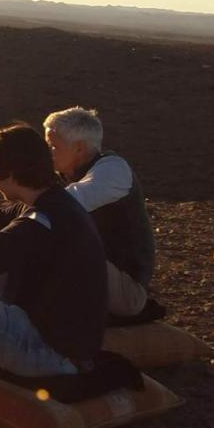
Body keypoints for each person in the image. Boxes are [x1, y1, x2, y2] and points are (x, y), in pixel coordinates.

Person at [0, 124, 107, 377]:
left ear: (7, 172)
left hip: (49, 353)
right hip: (56, 340)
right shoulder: (54, 201)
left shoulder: (43, 219)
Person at [43, 107, 155, 317]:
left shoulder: (113, 170)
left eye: (53, 146)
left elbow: (68, 203)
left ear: (79, 149)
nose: (47, 152)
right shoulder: (64, 178)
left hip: (126, 289)